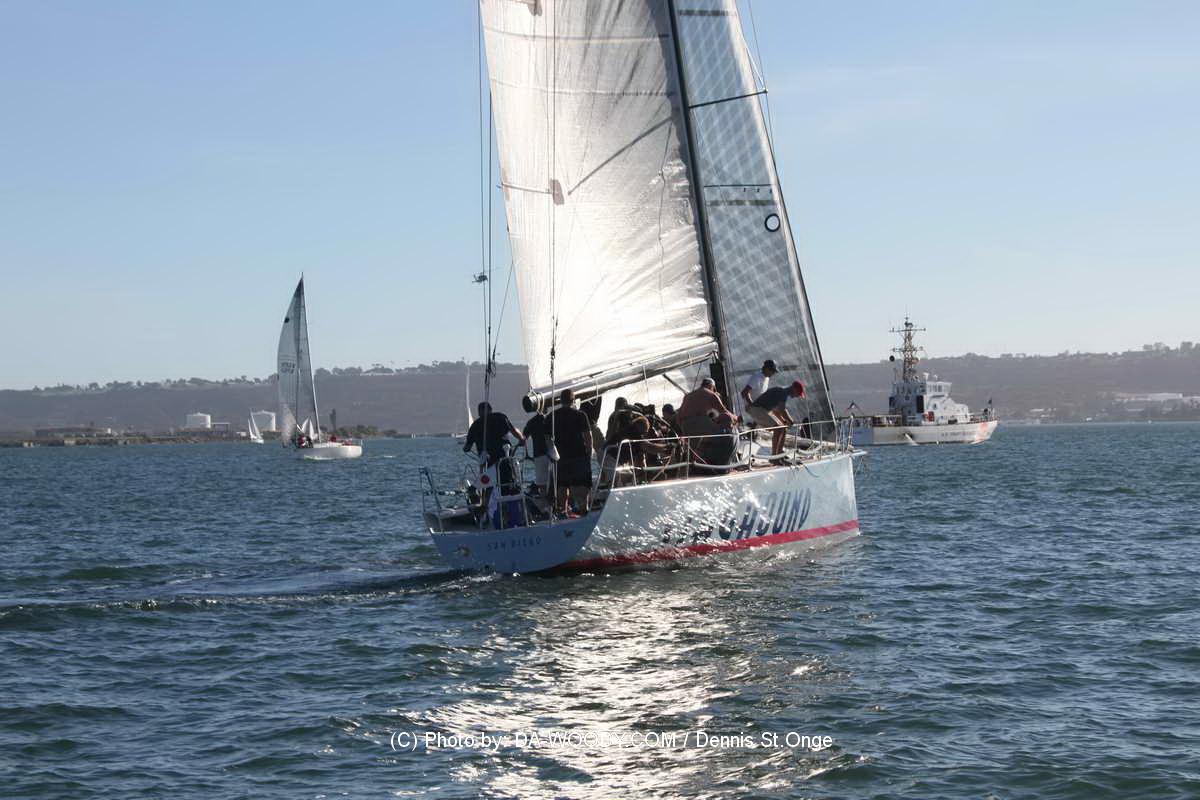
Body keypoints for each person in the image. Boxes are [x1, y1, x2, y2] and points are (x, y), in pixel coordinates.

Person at [549, 389, 592, 516]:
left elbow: (546, 437)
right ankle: (583, 510)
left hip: (560, 457)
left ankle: (563, 511)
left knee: (562, 485)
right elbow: (588, 436)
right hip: (579, 455)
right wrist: (589, 453)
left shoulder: (552, 416)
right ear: (573, 400)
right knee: (581, 484)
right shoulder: (580, 415)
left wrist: (552, 453)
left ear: (560, 401)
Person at [677, 378, 737, 467]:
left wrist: (683, 430)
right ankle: (726, 461)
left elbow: (679, 417)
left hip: (685, 426)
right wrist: (736, 417)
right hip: (700, 423)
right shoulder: (711, 394)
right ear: (712, 386)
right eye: (714, 389)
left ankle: (693, 466)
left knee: (694, 448)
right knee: (726, 430)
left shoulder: (688, 396)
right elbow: (724, 412)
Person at [748, 381, 806, 456]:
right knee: (778, 428)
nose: (797, 396)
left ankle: (779, 453)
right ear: (795, 389)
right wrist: (790, 421)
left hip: (762, 410)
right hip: (757, 409)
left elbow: (776, 411)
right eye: (798, 393)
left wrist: (783, 421)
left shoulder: (782, 392)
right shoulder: (783, 393)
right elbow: (782, 410)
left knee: (783, 428)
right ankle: (774, 457)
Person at [463, 402, 524, 467]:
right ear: (490, 409)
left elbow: (467, 447)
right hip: (505, 456)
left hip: (488, 461)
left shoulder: (474, 426)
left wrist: (465, 448)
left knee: (486, 467)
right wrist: (521, 439)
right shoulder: (501, 417)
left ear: (479, 412)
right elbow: (513, 430)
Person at [522, 409, 552, 500]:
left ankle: (545, 503)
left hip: (539, 455)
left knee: (542, 483)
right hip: (552, 455)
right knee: (554, 481)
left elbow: (523, 438)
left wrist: (526, 454)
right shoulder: (551, 419)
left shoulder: (532, 422)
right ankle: (553, 502)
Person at [739, 359, 778, 425]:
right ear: (766, 369)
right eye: (772, 371)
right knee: (776, 425)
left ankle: (754, 426)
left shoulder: (767, 378)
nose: (773, 373)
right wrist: (753, 405)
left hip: (759, 408)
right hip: (752, 407)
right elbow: (744, 392)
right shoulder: (756, 377)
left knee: (778, 424)